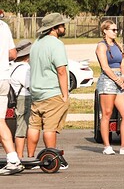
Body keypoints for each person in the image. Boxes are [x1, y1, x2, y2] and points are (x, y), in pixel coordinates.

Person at [26, 13, 71, 168]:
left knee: (33, 126)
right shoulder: (56, 44)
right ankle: (51, 159)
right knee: (50, 128)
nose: (64, 27)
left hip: (36, 93)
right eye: (62, 25)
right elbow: (61, 71)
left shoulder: (36, 44)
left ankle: (30, 159)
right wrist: (65, 94)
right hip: (52, 92)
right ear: (54, 28)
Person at [95, 20, 124, 155]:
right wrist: (116, 80)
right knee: (107, 113)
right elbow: (105, 67)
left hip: (119, 79)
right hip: (108, 80)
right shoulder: (101, 46)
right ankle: (107, 146)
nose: (116, 32)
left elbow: (123, 64)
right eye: (113, 30)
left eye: (116, 30)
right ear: (105, 31)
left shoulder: (118, 46)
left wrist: (123, 77)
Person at [0, 16, 22, 175]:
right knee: (1, 121)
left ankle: (13, 159)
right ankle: (13, 158)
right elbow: (13, 54)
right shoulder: (4, 26)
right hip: (3, 78)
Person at [9, 40, 33, 158]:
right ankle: (21, 157)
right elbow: (30, 86)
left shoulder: (12, 67)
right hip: (24, 98)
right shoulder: (24, 69)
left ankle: (20, 156)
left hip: (17, 98)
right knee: (23, 128)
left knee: (21, 127)